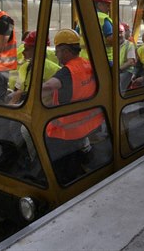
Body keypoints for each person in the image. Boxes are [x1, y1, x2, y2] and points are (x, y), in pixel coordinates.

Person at [41, 29, 105, 184]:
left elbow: (49, 86)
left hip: (66, 132)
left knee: (45, 141)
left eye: (57, 51)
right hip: (89, 124)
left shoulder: (67, 72)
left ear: (66, 51)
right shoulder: (88, 64)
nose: (56, 55)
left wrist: (29, 91)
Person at [9, 31, 60, 105]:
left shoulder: (54, 70)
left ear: (37, 50)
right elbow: (19, 91)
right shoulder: (25, 67)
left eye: (27, 49)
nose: (23, 52)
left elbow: (53, 97)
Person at [77, 0, 114, 65]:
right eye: (107, 5)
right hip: (103, 60)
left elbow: (76, 36)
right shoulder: (104, 19)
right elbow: (111, 39)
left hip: (84, 60)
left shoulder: (83, 18)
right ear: (99, 4)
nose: (109, 8)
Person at [118, 24, 136, 94]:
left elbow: (131, 62)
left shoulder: (129, 45)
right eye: (117, 33)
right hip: (115, 72)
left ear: (124, 33)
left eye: (121, 32)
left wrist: (117, 70)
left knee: (118, 87)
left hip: (126, 71)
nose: (119, 35)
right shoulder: (111, 45)